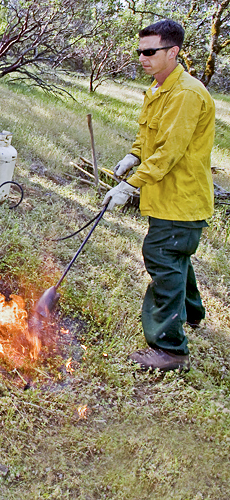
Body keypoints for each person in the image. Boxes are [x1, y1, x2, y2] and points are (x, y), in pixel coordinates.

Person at [102, 19, 215, 372]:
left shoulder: (185, 94)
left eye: (150, 52)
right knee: (177, 252)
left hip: (181, 198)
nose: (142, 58)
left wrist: (131, 185)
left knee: (162, 254)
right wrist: (134, 155)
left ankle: (170, 350)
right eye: (140, 51)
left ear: (173, 51)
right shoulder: (160, 88)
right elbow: (150, 139)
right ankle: (194, 314)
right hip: (167, 197)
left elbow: (168, 153)